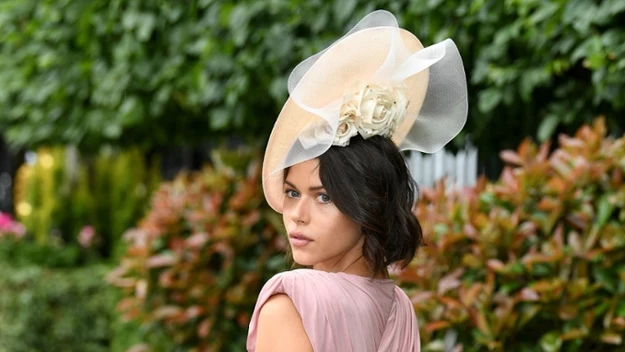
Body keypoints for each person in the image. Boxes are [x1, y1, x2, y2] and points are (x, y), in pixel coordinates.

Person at [246, 10, 468, 352]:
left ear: (367, 202)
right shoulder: (399, 307)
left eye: (324, 197)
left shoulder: (291, 300)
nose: (297, 214)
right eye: (292, 192)